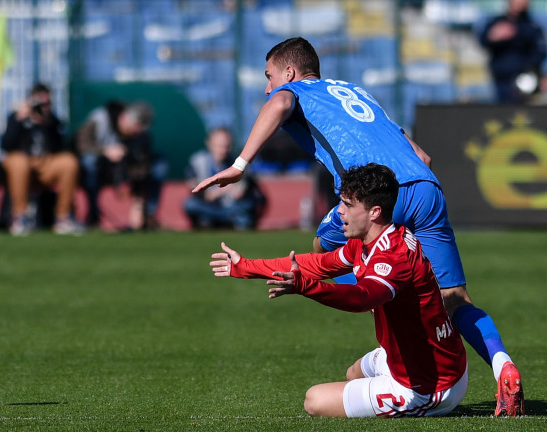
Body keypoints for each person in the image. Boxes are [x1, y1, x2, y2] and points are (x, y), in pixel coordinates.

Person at [192, 37, 523, 416]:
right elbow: (423, 155)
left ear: (290, 72)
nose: (268, 88)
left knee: (324, 248)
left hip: (374, 195)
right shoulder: (356, 92)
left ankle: (384, 300)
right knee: (456, 297)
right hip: (425, 186)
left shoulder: (295, 92)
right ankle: (502, 365)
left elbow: (280, 103)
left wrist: (240, 165)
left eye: (269, 76)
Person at [209, 164, 468, 417]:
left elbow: (363, 298)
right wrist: (245, 266)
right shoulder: (370, 240)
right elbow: (317, 263)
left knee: (315, 400)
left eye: (348, 204)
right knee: (353, 373)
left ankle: (416, 403)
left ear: (375, 212)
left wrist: (304, 286)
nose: (339, 212)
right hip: (427, 356)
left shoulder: (392, 257)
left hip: (429, 385)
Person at [0, 83, 82, 235]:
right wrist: (19, 120)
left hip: (46, 163)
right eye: (40, 104)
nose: (43, 107)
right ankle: (20, 217)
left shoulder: (53, 122)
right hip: (22, 163)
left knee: (69, 162)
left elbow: (61, 147)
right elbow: (6, 145)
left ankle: (63, 217)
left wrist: (47, 124)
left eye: (47, 103)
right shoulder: (17, 118)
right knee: (19, 163)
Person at [74, 101, 166, 231]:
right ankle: (93, 215)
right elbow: (81, 145)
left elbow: (143, 164)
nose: (137, 132)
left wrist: (138, 197)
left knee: (160, 163)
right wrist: (105, 151)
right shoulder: (99, 119)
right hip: (98, 170)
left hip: (127, 171)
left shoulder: (142, 136)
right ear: (124, 118)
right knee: (89, 161)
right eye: (136, 127)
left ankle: (148, 215)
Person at [183, 127, 264, 230]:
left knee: (251, 203)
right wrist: (220, 191)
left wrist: (218, 192)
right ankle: (211, 222)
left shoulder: (239, 162)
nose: (223, 151)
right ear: (209, 144)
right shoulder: (198, 161)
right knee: (190, 204)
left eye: (227, 146)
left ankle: (230, 222)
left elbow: (241, 192)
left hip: (232, 206)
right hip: (208, 206)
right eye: (219, 146)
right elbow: (195, 188)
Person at [478, 0, 546, 103]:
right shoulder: (497, 22)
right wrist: (492, 36)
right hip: (501, 76)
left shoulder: (531, 25)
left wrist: (535, 71)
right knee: (502, 107)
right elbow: (484, 41)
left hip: (525, 76)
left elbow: (539, 51)